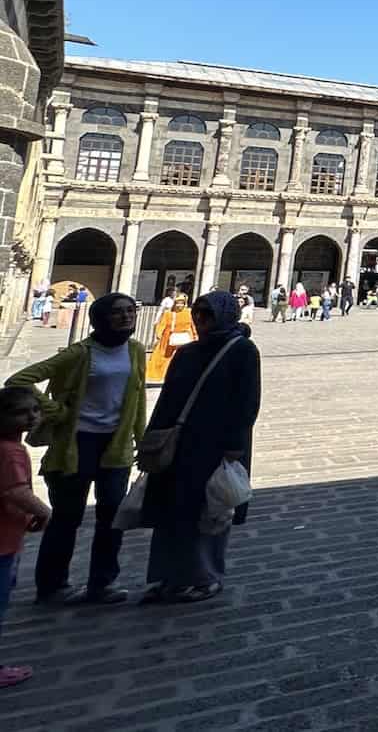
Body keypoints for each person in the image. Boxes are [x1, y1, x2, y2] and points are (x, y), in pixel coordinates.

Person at [5, 293, 147, 604]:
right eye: (118, 313)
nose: (126, 317)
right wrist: (55, 410)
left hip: (116, 446)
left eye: (130, 312)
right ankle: (53, 585)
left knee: (113, 517)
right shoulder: (81, 353)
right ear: (100, 319)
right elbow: (21, 379)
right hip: (76, 444)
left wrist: (142, 438)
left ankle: (102, 583)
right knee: (67, 516)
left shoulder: (136, 351)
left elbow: (137, 401)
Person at [138, 292, 261, 604]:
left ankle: (204, 577)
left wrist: (234, 445)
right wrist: (153, 440)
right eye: (198, 313)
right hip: (180, 445)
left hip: (216, 446)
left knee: (211, 511)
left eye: (207, 314)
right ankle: (168, 577)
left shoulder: (242, 350)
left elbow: (247, 402)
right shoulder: (189, 351)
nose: (200, 319)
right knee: (172, 510)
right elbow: (168, 399)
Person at [1, 386, 55, 688]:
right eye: (23, 412)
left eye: (35, 409)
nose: (32, 417)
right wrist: (44, 512)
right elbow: (15, 490)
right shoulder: (10, 452)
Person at [145, 295, 196, 385]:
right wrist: (159, 334)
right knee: (164, 356)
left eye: (182, 303)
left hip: (184, 338)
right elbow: (162, 324)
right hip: (168, 338)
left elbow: (193, 325)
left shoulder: (189, 313)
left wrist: (195, 336)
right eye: (178, 303)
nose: (179, 305)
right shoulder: (168, 313)